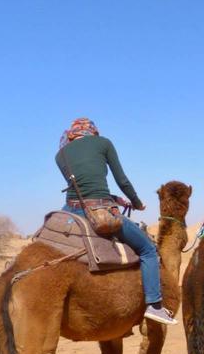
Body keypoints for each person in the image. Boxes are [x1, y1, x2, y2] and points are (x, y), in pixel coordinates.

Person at [55, 118, 176, 325]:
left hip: (70, 210)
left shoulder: (60, 155)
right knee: (148, 249)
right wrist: (136, 203)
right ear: (93, 131)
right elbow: (122, 180)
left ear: (71, 133)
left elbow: (82, 188)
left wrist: (112, 197)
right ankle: (154, 305)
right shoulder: (103, 143)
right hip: (99, 211)